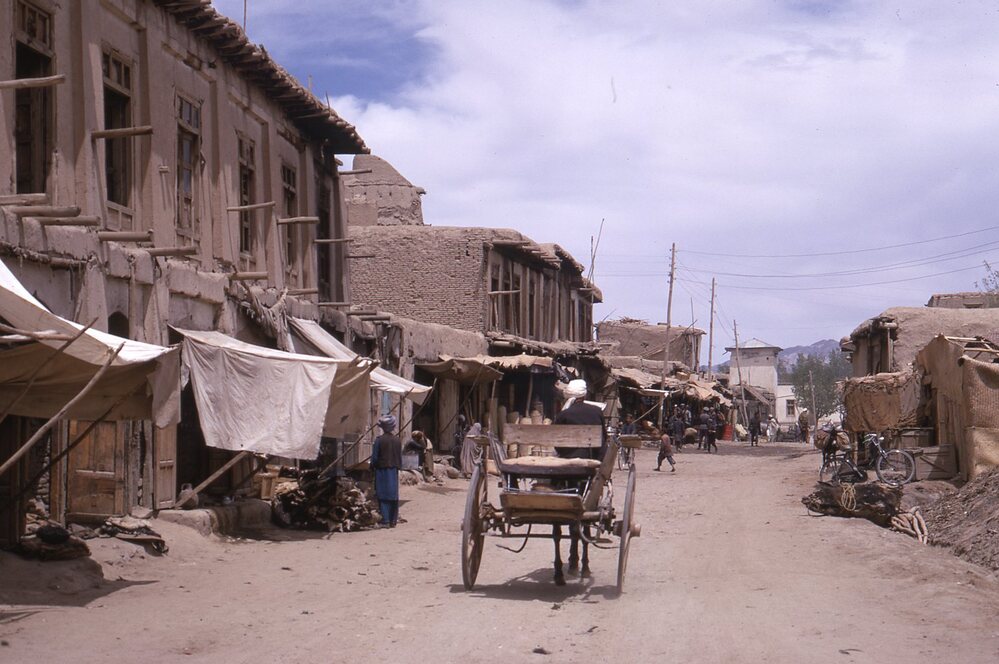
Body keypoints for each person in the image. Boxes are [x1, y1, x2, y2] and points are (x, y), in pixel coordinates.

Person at [553, 379, 604, 457]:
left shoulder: (563, 414)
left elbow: (557, 443)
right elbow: (603, 436)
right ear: (584, 396)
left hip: (570, 458)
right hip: (594, 457)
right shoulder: (597, 411)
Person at [371, 415, 402, 528]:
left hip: (382, 470)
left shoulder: (379, 440)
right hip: (394, 470)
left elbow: (374, 458)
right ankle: (393, 520)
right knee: (393, 495)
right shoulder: (397, 440)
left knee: (383, 494)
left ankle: (385, 520)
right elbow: (399, 457)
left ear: (383, 427)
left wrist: (372, 467)